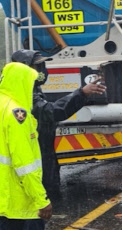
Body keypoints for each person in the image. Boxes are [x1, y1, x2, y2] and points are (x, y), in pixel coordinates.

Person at [11, 49, 106, 198]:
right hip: (34, 157)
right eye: (37, 66)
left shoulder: (31, 88)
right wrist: (82, 93)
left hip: (43, 153)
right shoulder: (22, 92)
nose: (42, 70)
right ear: (24, 68)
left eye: (42, 66)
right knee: (38, 201)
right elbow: (53, 111)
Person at [0, 62, 52, 230]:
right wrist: (41, 200)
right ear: (22, 83)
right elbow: (24, 163)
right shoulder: (16, 114)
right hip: (15, 197)